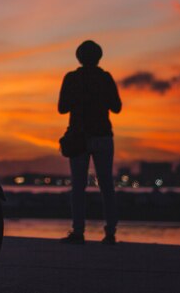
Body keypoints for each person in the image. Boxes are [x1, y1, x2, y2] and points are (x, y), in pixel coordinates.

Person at [58, 40, 122, 245]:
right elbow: (117, 107)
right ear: (99, 57)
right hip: (103, 135)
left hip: (79, 136)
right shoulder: (105, 78)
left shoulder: (72, 78)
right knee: (107, 186)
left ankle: (78, 231)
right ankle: (110, 232)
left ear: (79, 57)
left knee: (78, 186)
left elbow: (62, 108)